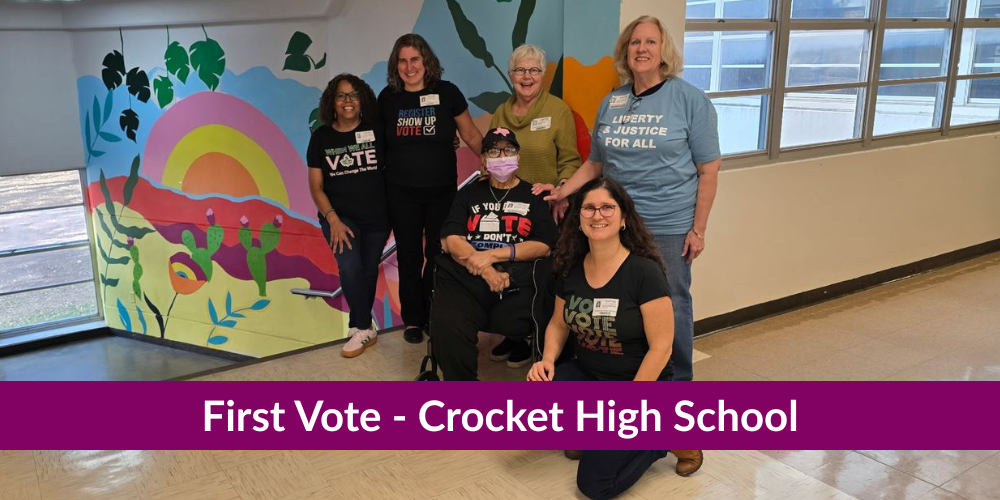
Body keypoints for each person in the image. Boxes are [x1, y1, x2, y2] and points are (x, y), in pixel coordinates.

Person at [534, 15, 722, 381]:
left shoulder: (689, 100)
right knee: (617, 305)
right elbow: (595, 164)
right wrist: (563, 192)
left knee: (672, 305)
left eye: (650, 42)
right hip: (612, 223)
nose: (642, 49)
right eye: (635, 42)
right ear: (625, 51)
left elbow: (708, 170)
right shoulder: (613, 102)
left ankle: (675, 388)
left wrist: (698, 230)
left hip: (666, 224)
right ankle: (619, 377)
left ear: (664, 50)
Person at [527, 177, 702, 499]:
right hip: (592, 375)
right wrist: (547, 361)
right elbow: (558, 324)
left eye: (608, 207)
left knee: (594, 487)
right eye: (589, 208)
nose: (598, 215)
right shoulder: (572, 268)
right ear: (578, 219)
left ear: (623, 218)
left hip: (640, 385)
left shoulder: (644, 272)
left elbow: (663, 347)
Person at [378, 33, 484, 345]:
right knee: (409, 257)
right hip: (401, 193)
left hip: (441, 193)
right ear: (395, 65)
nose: (409, 67)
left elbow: (471, 134)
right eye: (403, 61)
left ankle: (433, 312)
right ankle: (413, 320)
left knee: (438, 254)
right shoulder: (388, 98)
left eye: (415, 59)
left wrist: (495, 163)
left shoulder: (447, 93)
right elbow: (380, 147)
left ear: (426, 61)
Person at [431, 127, 558, 380]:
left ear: (519, 156)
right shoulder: (467, 194)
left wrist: (492, 256)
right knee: (447, 322)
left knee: (543, 298)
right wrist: (486, 270)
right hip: (469, 278)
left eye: (509, 150)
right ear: (483, 160)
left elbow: (544, 244)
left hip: (516, 281)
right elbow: (451, 240)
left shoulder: (533, 196)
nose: (502, 156)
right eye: (494, 151)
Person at [307, 74, 390, 358]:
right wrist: (333, 219)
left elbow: (406, 153)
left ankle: (358, 325)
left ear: (362, 99)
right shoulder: (321, 137)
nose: (347, 101)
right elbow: (316, 188)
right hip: (339, 219)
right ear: (332, 101)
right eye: (341, 95)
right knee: (351, 267)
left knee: (367, 272)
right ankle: (365, 325)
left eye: (353, 94)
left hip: (377, 218)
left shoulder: (377, 131)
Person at [489, 44, 580, 220]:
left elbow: (570, 162)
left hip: (546, 206)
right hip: (504, 208)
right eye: (520, 70)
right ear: (511, 75)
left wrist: (562, 191)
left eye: (534, 70)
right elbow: (489, 159)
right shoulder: (500, 113)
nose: (527, 76)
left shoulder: (558, 110)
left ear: (543, 75)